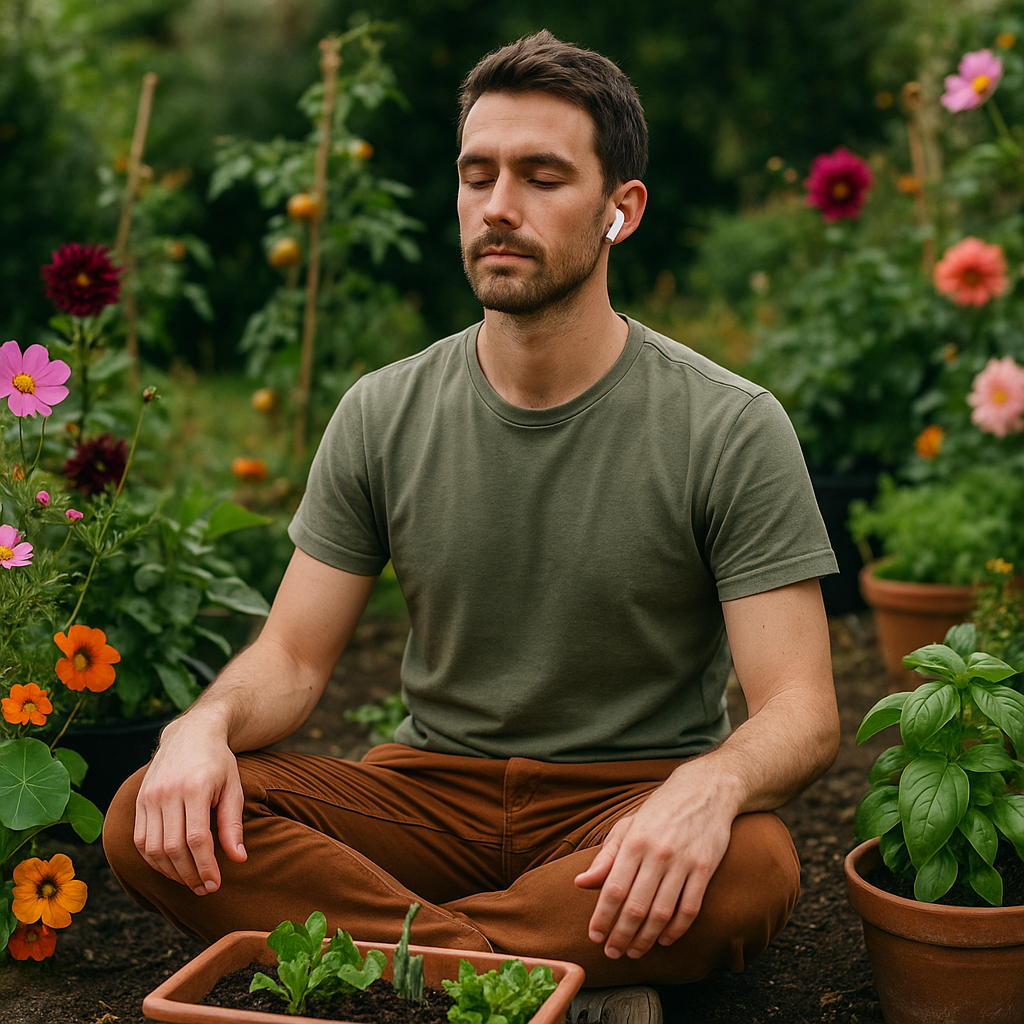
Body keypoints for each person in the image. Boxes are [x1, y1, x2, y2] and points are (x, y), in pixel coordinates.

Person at [103, 30, 840, 1024]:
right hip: (425, 798)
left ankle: (389, 960)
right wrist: (204, 726)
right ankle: (526, 978)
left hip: (622, 802)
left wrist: (708, 788)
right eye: (477, 174)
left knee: (750, 864)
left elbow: (799, 707)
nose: (498, 205)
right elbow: (289, 657)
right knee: (149, 810)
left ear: (621, 210)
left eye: (542, 177)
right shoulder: (382, 410)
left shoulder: (726, 424)